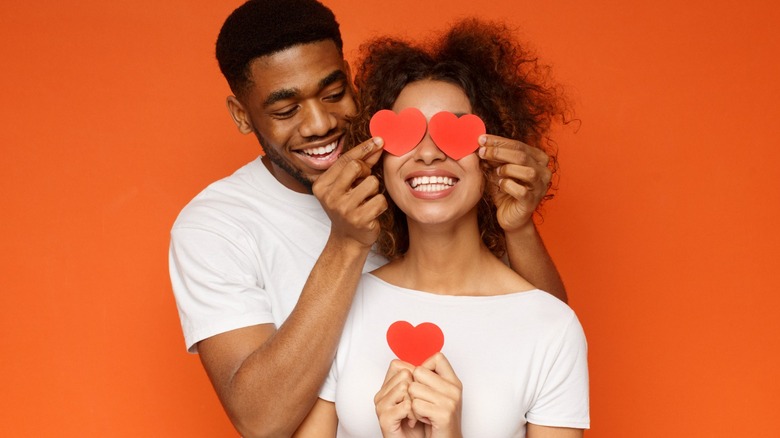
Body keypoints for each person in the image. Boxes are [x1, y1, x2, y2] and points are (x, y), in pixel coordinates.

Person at [169, 1, 567, 436]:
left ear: (352, 79)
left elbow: (545, 342)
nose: (319, 124)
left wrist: (520, 227)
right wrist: (346, 243)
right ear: (242, 115)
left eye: (334, 94)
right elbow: (260, 422)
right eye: (286, 111)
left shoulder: (409, 174)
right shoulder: (215, 227)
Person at [294, 19, 588, 437]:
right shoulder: (344, 304)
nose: (429, 153)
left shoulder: (552, 328)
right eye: (406, 134)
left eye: (455, 133)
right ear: (378, 160)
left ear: (493, 158)